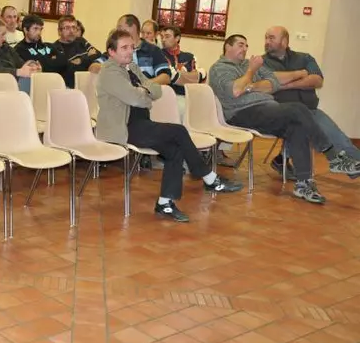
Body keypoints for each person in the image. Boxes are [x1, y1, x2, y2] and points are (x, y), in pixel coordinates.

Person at [95, 30, 241, 222]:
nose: (130, 51)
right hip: (122, 128)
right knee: (178, 131)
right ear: (111, 52)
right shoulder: (109, 71)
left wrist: (142, 91)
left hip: (140, 124)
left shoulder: (131, 67)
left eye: (132, 47)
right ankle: (208, 178)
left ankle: (165, 203)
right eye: (124, 48)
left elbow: (156, 91)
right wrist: (142, 93)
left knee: (174, 149)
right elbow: (135, 99)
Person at [209, 34, 360, 204]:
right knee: (297, 109)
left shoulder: (246, 65)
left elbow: (274, 82)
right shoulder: (219, 69)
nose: (245, 49)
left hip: (266, 110)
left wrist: (250, 85)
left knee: (297, 127)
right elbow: (235, 91)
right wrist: (251, 72)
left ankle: (303, 184)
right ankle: (333, 157)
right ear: (227, 47)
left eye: (246, 45)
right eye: (240, 45)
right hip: (241, 113)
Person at [263, 26, 360, 177]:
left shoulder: (304, 58)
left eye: (271, 38)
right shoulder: (262, 63)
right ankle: (342, 161)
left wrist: (286, 83)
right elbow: (271, 81)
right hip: (281, 111)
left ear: (284, 41)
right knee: (312, 126)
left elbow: (317, 80)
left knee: (335, 134)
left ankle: (281, 159)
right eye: (266, 38)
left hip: (309, 109)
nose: (267, 41)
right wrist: (301, 75)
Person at [160, 26, 206, 117]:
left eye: (167, 36)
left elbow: (202, 76)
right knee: (183, 108)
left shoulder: (189, 56)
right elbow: (172, 77)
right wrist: (192, 76)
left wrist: (181, 76)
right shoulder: (159, 55)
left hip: (189, 95)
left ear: (177, 38)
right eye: (162, 37)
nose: (163, 39)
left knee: (205, 106)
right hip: (168, 97)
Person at [53, 15, 100, 87]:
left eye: (74, 27)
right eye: (67, 28)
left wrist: (81, 60)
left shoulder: (81, 41)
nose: (71, 31)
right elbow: (70, 70)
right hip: (70, 88)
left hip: (88, 85)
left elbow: (98, 54)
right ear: (59, 31)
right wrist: (89, 56)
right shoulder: (55, 48)